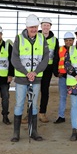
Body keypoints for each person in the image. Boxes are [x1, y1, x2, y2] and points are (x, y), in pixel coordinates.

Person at [10, 14, 49, 142]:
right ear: (26, 27)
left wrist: (35, 72)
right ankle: (16, 133)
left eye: (35, 27)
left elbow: (45, 58)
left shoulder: (42, 39)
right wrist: (26, 72)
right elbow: (14, 58)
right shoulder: (19, 39)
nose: (33, 29)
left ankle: (34, 131)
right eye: (31, 27)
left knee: (34, 105)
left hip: (36, 79)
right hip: (22, 78)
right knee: (19, 104)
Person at [38, 17, 59, 123]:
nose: (46, 27)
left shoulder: (55, 40)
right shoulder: (35, 37)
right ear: (41, 26)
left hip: (47, 69)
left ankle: (42, 113)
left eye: (48, 25)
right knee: (32, 91)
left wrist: (55, 71)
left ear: (50, 27)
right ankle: (29, 113)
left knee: (45, 91)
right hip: (36, 69)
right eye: (44, 25)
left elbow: (56, 56)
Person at [53, 31, 75, 124]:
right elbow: (56, 61)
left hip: (73, 78)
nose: (68, 42)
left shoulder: (76, 50)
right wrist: (56, 73)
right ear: (64, 41)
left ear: (73, 41)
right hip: (63, 77)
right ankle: (61, 116)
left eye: (70, 40)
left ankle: (76, 117)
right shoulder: (60, 49)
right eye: (67, 40)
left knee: (74, 98)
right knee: (62, 97)